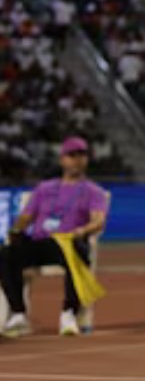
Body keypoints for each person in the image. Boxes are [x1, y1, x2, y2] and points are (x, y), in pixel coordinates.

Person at [1, 136, 109, 338]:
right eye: (72, 155)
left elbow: (98, 221)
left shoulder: (93, 192)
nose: (77, 160)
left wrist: (82, 231)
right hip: (41, 242)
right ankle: (18, 313)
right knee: (6, 254)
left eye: (81, 155)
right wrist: (14, 232)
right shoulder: (44, 189)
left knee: (78, 252)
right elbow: (26, 218)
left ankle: (69, 313)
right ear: (62, 160)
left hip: (67, 242)